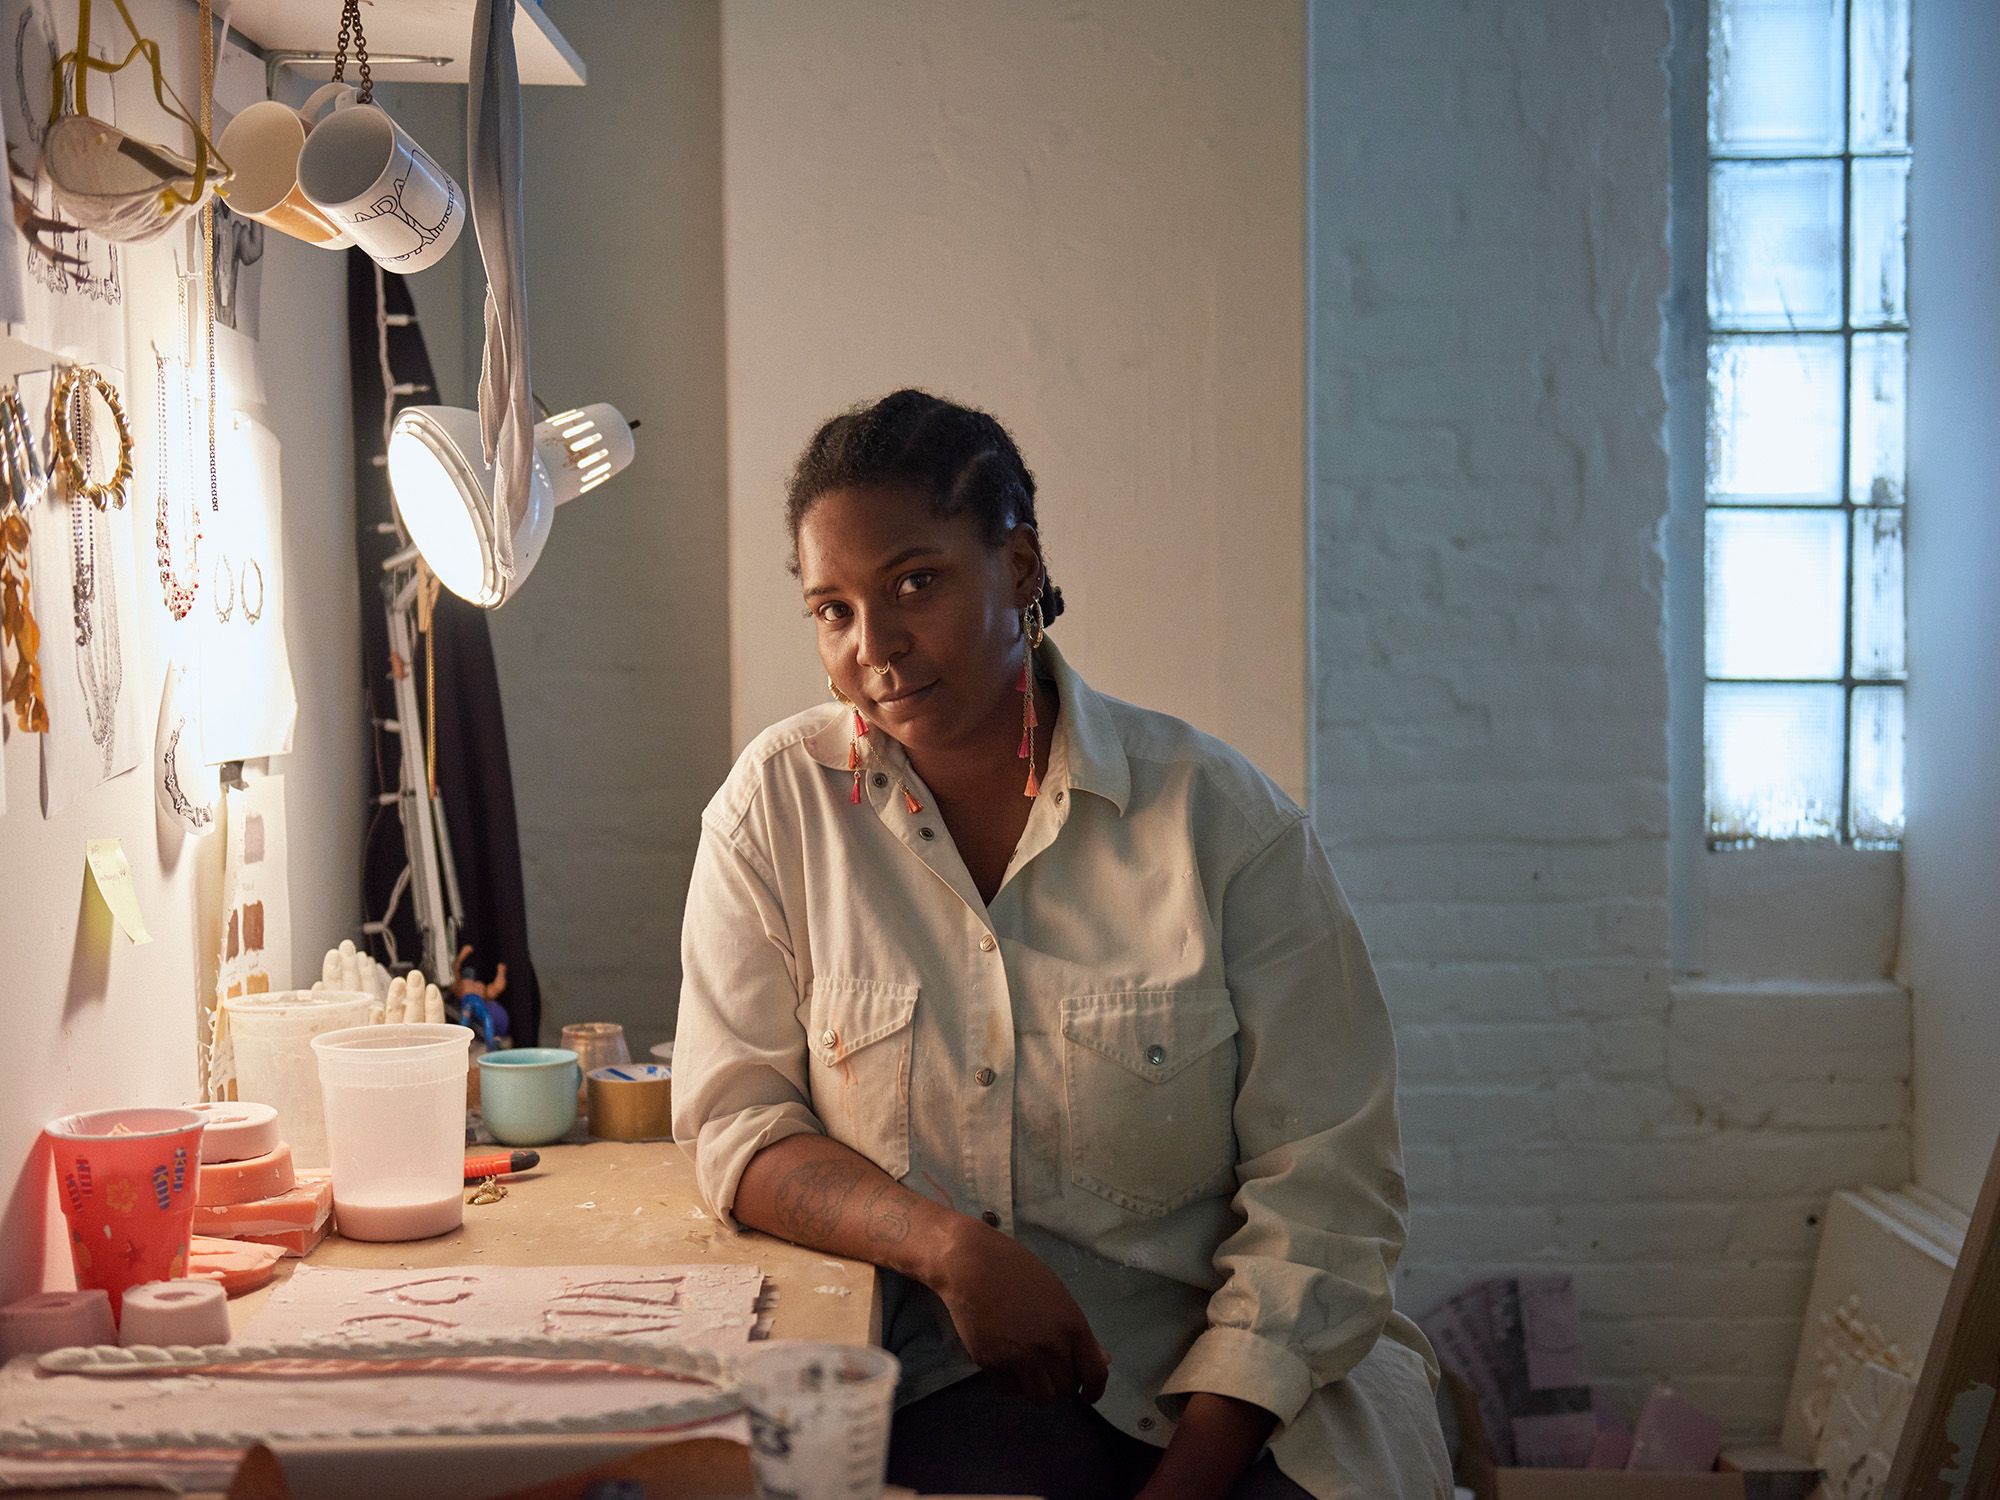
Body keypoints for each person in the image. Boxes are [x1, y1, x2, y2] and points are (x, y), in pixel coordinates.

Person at [673, 390, 1451, 1500]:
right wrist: (949, 1250)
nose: (873, 648)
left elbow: (1327, 1190)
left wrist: (1189, 1478)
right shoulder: (775, 813)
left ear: (1019, 567)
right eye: (831, 610)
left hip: (1245, 1391)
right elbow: (740, 1124)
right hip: (949, 1379)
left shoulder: (1223, 825)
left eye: (914, 583)